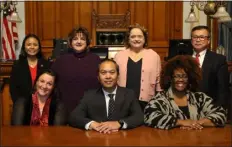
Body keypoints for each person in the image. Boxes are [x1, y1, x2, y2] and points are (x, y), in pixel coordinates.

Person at [144, 55, 226, 130]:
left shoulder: (200, 98)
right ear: (170, 78)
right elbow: (149, 117)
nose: (181, 80)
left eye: (185, 76)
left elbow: (221, 114)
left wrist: (197, 123)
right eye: (176, 76)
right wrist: (181, 122)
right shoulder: (161, 99)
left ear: (190, 78)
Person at [69, 59, 143, 133]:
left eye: (112, 72)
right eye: (103, 73)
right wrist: (92, 124)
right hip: (96, 138)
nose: (108, 76)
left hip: (121, 139)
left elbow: (139, 116)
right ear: (98, 77)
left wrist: (120, 123)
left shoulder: (129, 94)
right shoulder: (89, 95)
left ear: (118, 75)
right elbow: (74, 117)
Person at [51, 26, 101, 113]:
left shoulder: (96, 60)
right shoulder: (61, 60)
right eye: (75, 39)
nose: (78, 41)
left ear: (87, 42)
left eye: (82, 39)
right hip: (65, 108)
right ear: (70, 42)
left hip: (90, 108)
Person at [114, 23, 162, 110]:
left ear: (144, 39)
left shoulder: (154, 55)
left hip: (147, 102)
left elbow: (159, 81)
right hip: (123, 102)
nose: (136, 39)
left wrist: (159, 101)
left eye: (140, 36)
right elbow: (114, 79)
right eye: (133, 37)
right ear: (128, 39)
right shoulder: (119, 56)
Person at [191, 25, 230, 111]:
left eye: (202, 37)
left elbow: (222, 89)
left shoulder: (218, 60)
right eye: (195, 37)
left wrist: (218, 110)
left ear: (208, 40)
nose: (198, 40)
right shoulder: (183, 58)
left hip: (210, 107)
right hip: (187, 106)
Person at [10, 34, 50, 103]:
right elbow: (13, 89)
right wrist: (19, 104)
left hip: (42, 103)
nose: (32, 47)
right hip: (22, 105)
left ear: (39, 48)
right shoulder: (17, 65)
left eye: (35, 45)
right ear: (24, 47)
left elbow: (50, 86)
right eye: (29, 44)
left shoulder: (46, 64)